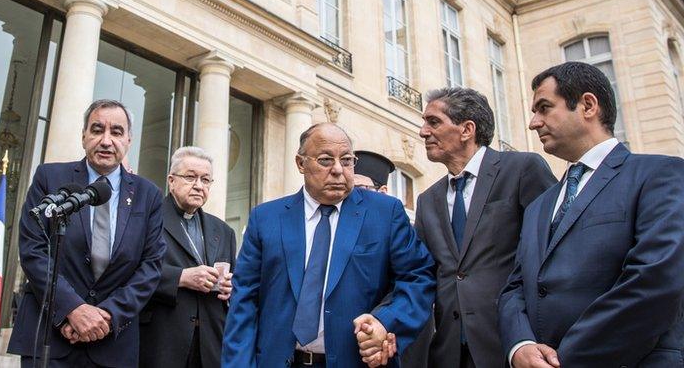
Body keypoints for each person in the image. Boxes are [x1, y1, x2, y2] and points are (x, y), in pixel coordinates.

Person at [500, 62, 684, 367]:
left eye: (544, 108)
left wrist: (566, 358)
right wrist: (520, 345)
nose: (534, 123)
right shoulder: (538, 206)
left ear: (587, 105)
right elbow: (515, 287)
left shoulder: (659, 175)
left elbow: (656, 279)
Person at [222, 123, 434, 368]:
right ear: (301, 164)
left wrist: (385, 322)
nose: (338, 170)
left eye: (346, 160)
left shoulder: (385, 213)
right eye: (325, 160)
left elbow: (419, 278)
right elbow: (245, 301)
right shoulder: (266, 218)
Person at [8, 99, 166, 367]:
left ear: (129, 140)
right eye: (97, 130)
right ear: (84, 137)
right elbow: (33, 250)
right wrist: (72, 309)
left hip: (112, 344)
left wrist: (105, 316)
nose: (106, 140)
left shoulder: (148, 195)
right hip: (51, 338)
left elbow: (151, 267)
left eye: (116, 132)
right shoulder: (50, 178)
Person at [413, 88, 555, 368]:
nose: (423, 131)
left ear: (467, 129)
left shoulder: (523, 169)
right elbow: (420, 275)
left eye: (434, 122)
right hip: (450, 354)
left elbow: (556, 249)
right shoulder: (427, 200)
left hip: (515, 348)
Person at [139, 146, 237, 368]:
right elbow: (130, 273)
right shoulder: (146, 219)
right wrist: (181, 277)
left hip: (210, 345)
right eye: (190, 177)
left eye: (206, 180)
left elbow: (236, 283)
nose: (199, 185)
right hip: (161, 341)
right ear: (171, 181)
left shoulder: (224, 231)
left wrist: (232, 287)